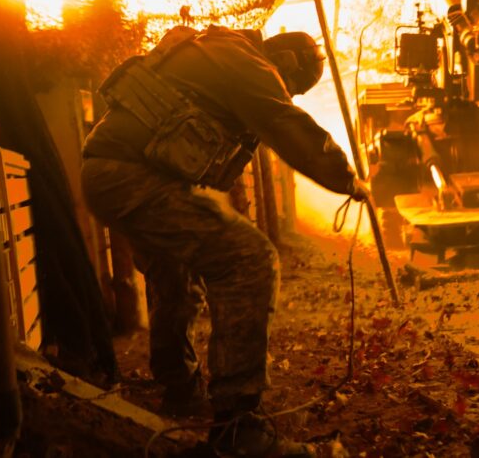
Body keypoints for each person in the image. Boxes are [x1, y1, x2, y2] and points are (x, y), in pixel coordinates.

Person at [80, 25, 368, 457]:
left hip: (117, 173)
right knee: (249, 260)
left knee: (176, 276)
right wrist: (346, 179)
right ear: (286, 61)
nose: (289, 93)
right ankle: (239, 429)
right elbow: (285, 123)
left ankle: (180, 389)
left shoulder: (220, 53)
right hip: (130, 178)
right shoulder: (245, 61)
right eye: (293, 86)